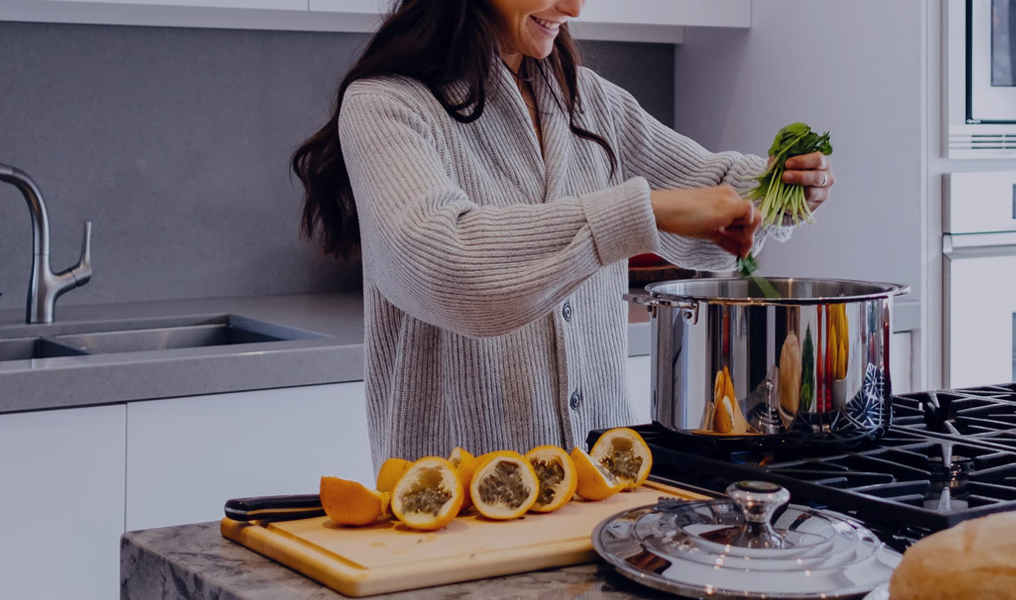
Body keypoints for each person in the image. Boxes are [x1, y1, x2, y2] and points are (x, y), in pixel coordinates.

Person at [291, 0, 835, 461]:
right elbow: (446, 266)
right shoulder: (387, 105)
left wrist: (779, 188)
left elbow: (707, 194)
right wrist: (637, 212)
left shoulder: (589, 100)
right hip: (455, 512)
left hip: (601, 495)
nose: (574, 8)